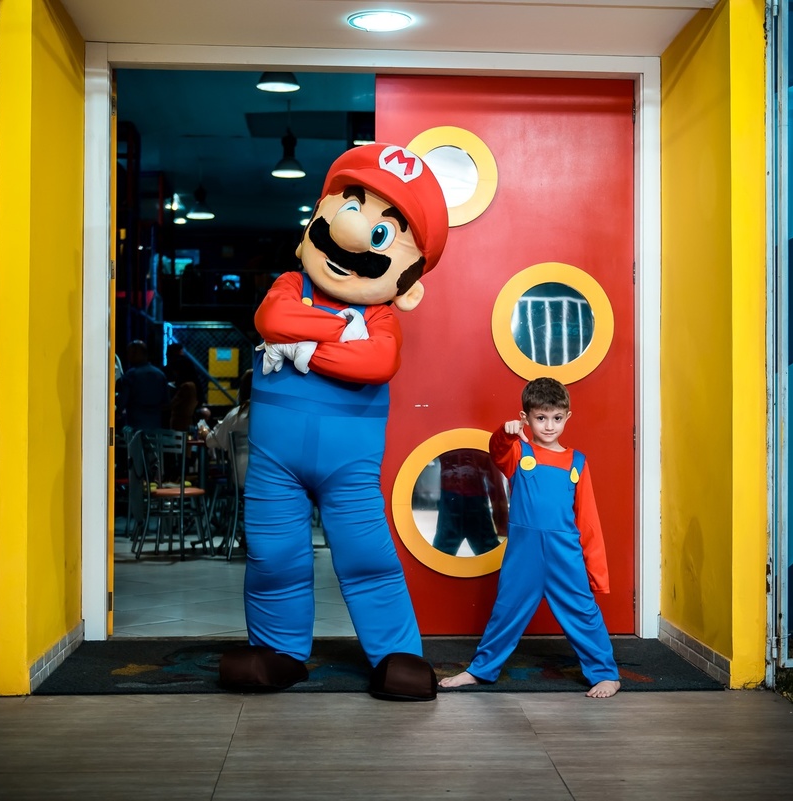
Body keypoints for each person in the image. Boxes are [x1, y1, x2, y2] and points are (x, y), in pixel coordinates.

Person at [218, 143, 450, 701]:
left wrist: (301, 348)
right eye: (347, 205)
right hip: (275, 464)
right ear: (311, 227)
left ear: (410, 283)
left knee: (367, 557)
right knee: (273, 555)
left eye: (382, 235)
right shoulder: (288, 287)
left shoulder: (383, 315)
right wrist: (337, 332)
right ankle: (278, 654)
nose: (349, 234)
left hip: (349, 469)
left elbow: (377, 361)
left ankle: (397, 656)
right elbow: (272, 319)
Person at [439, 377, 621, 699]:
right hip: (524, 553)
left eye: (556, 418)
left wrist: (597, 573)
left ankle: (606, 674)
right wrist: (504, 432)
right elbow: (496, 451)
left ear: (567, 417)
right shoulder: (517, 452)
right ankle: (480, 670)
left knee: (583, 612)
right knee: (506, 610)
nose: (549, 426)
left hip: (565, 553)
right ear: (526, 418)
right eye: (540, 418)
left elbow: (588, 521)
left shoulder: (577, 462)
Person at [431, 449, 507, 556]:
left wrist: (502, 524)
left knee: (443, 550)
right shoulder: (481, 448)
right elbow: (495, 485)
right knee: (487, 549)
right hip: (466, 499)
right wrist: (502, 524)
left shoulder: (448, 444)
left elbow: (495, 485)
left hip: (460, 499)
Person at [205, 369, 252, 485]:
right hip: (274, 484)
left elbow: (211, 442)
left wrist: (204, 432)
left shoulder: (235, 415)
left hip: (241, 480)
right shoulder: (277, 416)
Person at [117, 340, 170, 432]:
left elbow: (123, 401)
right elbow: (166, 402)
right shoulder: (160, 374)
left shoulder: (131, 374)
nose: (128, 356)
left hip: (135, 427)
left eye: (130, 353)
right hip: (155, 427)